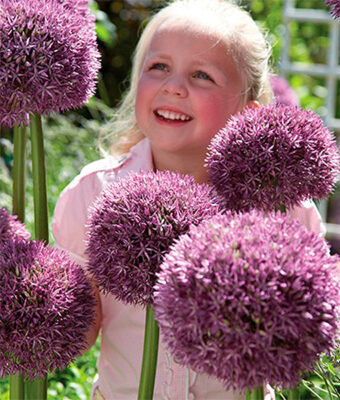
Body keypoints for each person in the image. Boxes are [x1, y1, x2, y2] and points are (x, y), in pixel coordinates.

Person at [52, 0, 325, 399]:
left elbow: (302, 333)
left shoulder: (280, 207)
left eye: (202, 75)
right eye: (158, 67)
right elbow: (76, 329)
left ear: (247, 109)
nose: (173, 86)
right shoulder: (93, 194)